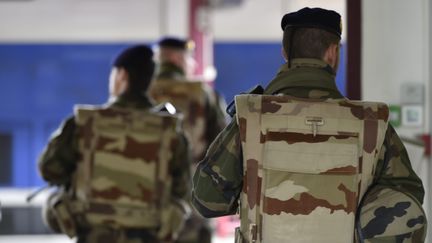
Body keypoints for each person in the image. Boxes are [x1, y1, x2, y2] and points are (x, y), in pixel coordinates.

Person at [192, 7, 427, 243]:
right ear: (333, 53)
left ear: (286, 53)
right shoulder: (373, 124)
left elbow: (206, 200)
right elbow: (406, 203)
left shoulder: (251, 118)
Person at [38, 45, 191, 243]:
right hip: (147, 237)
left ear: (121, 76)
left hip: (93, 235)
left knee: (53, 199)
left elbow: (49, 170)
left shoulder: (83, 124)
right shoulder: (171, 132)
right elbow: (182, 190)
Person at [150, 37, 228, 243]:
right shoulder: (202, 93)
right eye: (189, 59)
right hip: (191, 195)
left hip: (147, 194)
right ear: (177, 58)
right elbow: (224, 144)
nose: (192, 64)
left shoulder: (140, 91)